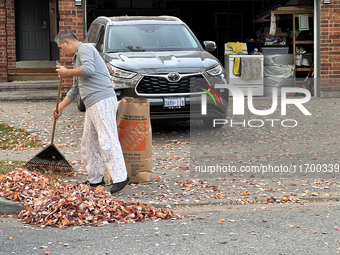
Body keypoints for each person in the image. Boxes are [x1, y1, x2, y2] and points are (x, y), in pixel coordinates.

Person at [53, 30, 129, 194]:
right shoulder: (76, 58)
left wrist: (67, 72)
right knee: (88, 143)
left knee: (107, 139)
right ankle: (95, 179)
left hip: (102, 100)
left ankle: (121, 177)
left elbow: (88, 69)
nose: (62, 51)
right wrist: (60, 107)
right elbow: (75, 89)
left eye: (61, 47)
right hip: (92, 104)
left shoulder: (85, 49)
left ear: (67, 42)